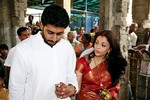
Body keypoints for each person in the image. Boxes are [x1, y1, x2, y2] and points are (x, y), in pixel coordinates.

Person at [9, 4, 78, 100]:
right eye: (50, 32)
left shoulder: (67, 47)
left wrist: (72, 87)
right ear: (41, 25)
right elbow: (16, 88)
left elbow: (71, 74)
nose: (54, 38)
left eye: (59, 34)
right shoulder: (23, 49)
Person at [76, 30, 127, 100]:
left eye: (103, 45)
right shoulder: (83, 62)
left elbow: (115, 86)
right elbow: (76, 88)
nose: (98, 47)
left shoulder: (113, 64)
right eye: (96, 43)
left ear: (109, 49)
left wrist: (109, 95)